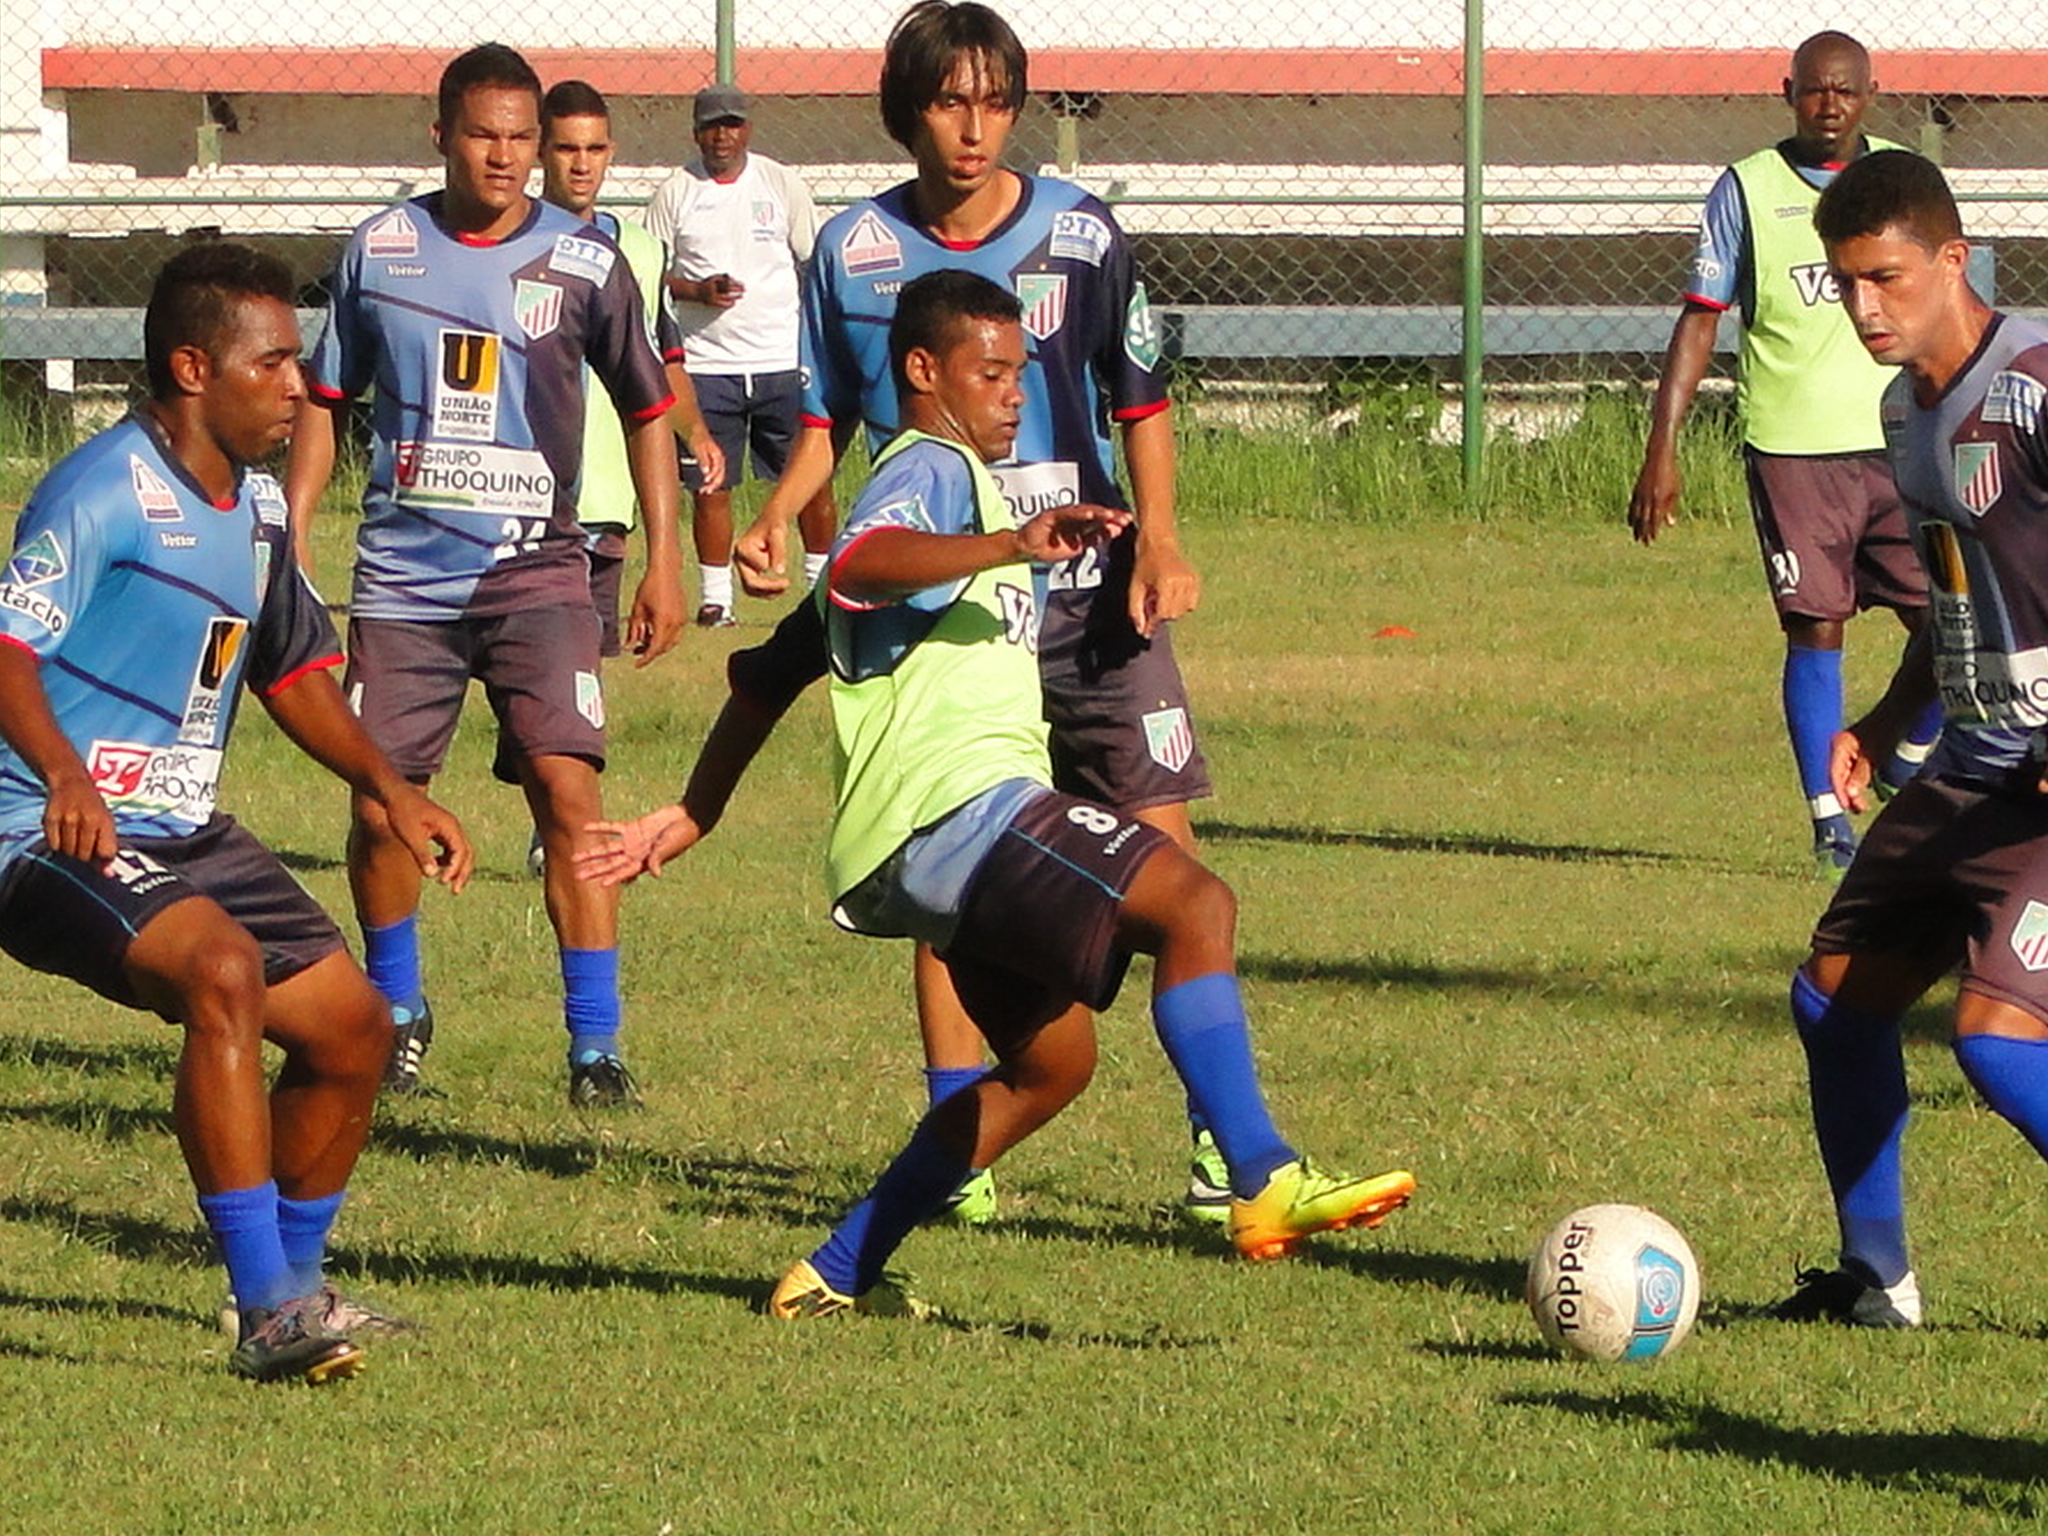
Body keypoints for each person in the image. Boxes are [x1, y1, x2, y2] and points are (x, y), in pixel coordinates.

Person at [581, 269, 1414, 1317]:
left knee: (1048, 1069)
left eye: (1020, 373)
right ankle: (1261, 1177)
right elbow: (867, 556)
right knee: (1196, 905)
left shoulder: (955, 484)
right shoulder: (927, 468)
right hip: (961, 816)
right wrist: (1006, 544)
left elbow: (766, 672)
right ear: (923, 371)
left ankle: (829, 1275)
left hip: (907, 852)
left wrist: (695, 812)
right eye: (990, 372)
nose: (1013, 394)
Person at [731, 1, 1219, 1223]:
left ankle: (1221, 1149)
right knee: (956, 873)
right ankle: (964, 1154)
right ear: (908, 109)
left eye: (996, 100)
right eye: (950, 100)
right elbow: (824, 423)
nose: (974, 126)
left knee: (1173, 864)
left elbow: (1139, 398)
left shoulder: (1081, 232)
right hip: (955, 599)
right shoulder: (851, 252)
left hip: (1092, 590)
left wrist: (1158, 538)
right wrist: (775, 512)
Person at [0, 242, 473, 1381]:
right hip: (43, 827)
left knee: (356, 1027)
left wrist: (389, 789)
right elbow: (9, 653)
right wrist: (64, 774)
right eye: (273, 365)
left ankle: (296, 1290)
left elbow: (296, 674)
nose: (300, 389)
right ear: (192, 367)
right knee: (222, 973)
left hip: (183, 827)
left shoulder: (260, 512)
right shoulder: (102, 486)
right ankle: (267, 1311)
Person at [285, 44, 683, 1107]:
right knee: (382, 807)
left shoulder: (585, 260)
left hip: (541, 573)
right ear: (440, 136)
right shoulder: (379, 251)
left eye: (520, 137)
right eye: (483, 135)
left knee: (568, 788)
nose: (504, 157)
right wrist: (289, 530)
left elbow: (649, 408)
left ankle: (595, 1050)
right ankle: (397, 1014)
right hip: (403, 580)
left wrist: (662, 557)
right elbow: (325, 401)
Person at [1776, 149, 2048, 1328]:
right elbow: (1953, 599)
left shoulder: (2034, 382)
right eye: (1843, 284)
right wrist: (1887, 722)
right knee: (1834, 999)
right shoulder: (1902, 410)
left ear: (1952, 258)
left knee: (1994, 1040)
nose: (1863, 308)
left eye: (1884, 278)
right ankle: (1873, 1281)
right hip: (1971, 766)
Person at [1628, 31, 1940, 877]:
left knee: (1947, 620)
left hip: (1898, 442)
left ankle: (1909, 763)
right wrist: (1665, 446)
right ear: (1789, 92)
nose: (1829, 104)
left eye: (1845, 90)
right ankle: (1829, 824)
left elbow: (1948, 300)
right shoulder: (1748, 190)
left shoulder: (1902, 181)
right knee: (1816, 626)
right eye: (1813, 90)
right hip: (1794, 452)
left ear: (1870, 94)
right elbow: (1702, 315)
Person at [525, 79, 726, 879]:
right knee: (547, 665)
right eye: (566, 149)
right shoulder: (516, 240)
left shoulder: (637, 250)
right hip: (531, 496)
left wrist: (696, 430)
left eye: (595, 149)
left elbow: (664, 361)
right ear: (541, 152)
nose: (581, 165)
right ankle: (558, 822)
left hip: (608, 496)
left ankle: (560, 821)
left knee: (580, 671)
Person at [644, 84, 835, 627]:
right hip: (706, 364)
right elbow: (653, 273)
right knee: (712, 484)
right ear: (696, 133)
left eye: (732, 124)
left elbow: (811, 261)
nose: (723, 136)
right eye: (712, 126)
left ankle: (820, 590)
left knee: (808, 480)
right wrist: (698, 291)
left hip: (780, 357)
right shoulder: (676, 192)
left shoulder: (780, 183)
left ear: (748, 128)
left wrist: (816, 346)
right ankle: (715, 599)